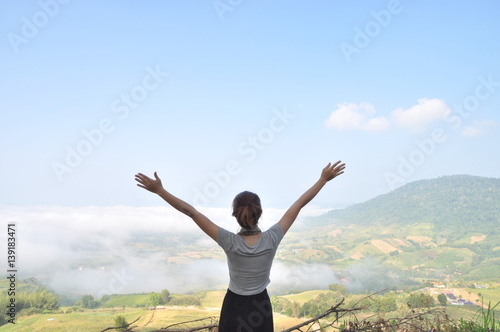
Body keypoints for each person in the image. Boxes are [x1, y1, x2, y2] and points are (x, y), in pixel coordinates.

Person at [135, 161, 345, 331]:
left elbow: (192, 213)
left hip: (233, 305)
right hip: (260, 306)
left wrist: (161, 191)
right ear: (259, 213)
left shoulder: (229, 241)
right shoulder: (272, 238)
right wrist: (323, 180)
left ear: (235, 215)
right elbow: (298, 205)